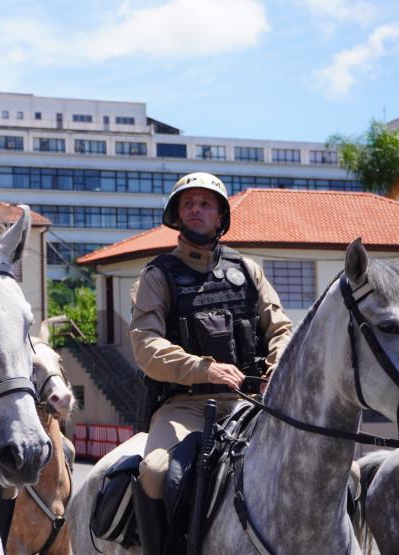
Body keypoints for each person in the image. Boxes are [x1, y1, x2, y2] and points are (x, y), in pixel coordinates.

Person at [129, 173, 293, 554]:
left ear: (220, 216)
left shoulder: (249, 270)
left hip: (250, 404)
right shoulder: (157, 276)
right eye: (188, 204)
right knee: (154, 473)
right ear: (177, 215)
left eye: (205, 203)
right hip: (184, 406)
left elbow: (282, 329)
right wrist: (204, 368)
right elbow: (146, 346)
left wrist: (277, 369)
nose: (196, 209)